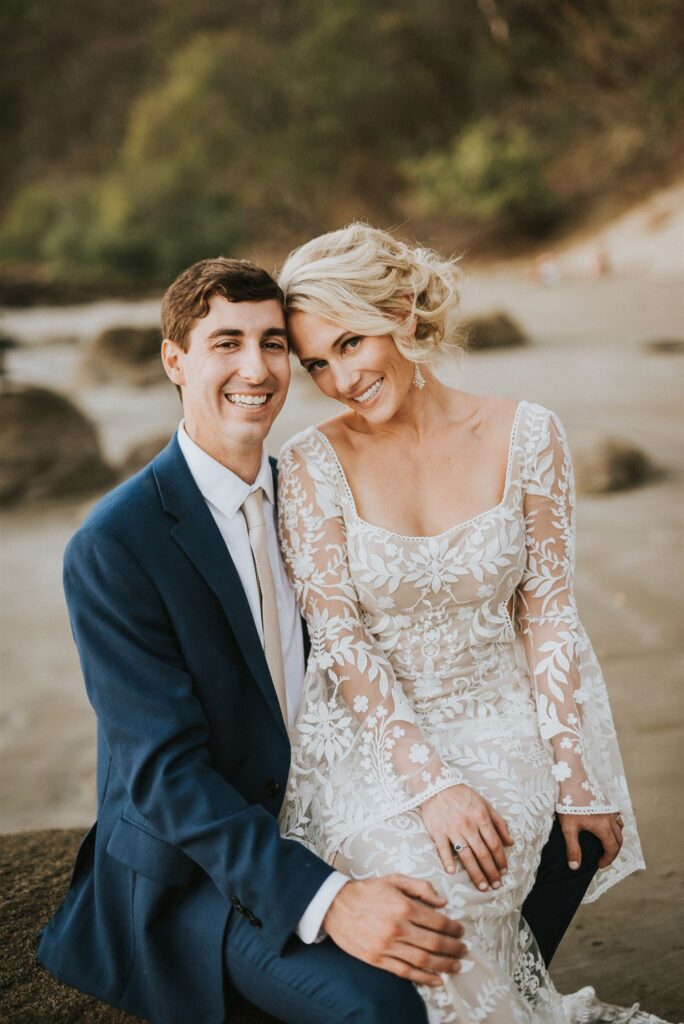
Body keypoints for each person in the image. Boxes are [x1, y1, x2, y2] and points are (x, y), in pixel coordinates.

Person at [36, 258, 467, 1024]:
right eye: (225, 343)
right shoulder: (115, 544)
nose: (255, 368)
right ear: (175, 360)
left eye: (273, 344)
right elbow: (166, 776)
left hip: (331, 810)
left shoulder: (311, 491)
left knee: (533, 863)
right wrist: (330, 902)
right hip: (198, 872)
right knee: (387, 1006)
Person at [275, 224, 657, 1023]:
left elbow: (548, 613)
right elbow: (339, 637)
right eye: (316, 362)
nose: (340, 379)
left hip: (499, 719)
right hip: (365, 740)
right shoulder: (310, 465)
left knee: (468, 878)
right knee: (416, 898)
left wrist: (577, 777)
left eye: (351, 343)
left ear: (402, 310)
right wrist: (434, 784)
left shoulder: (528, 435)